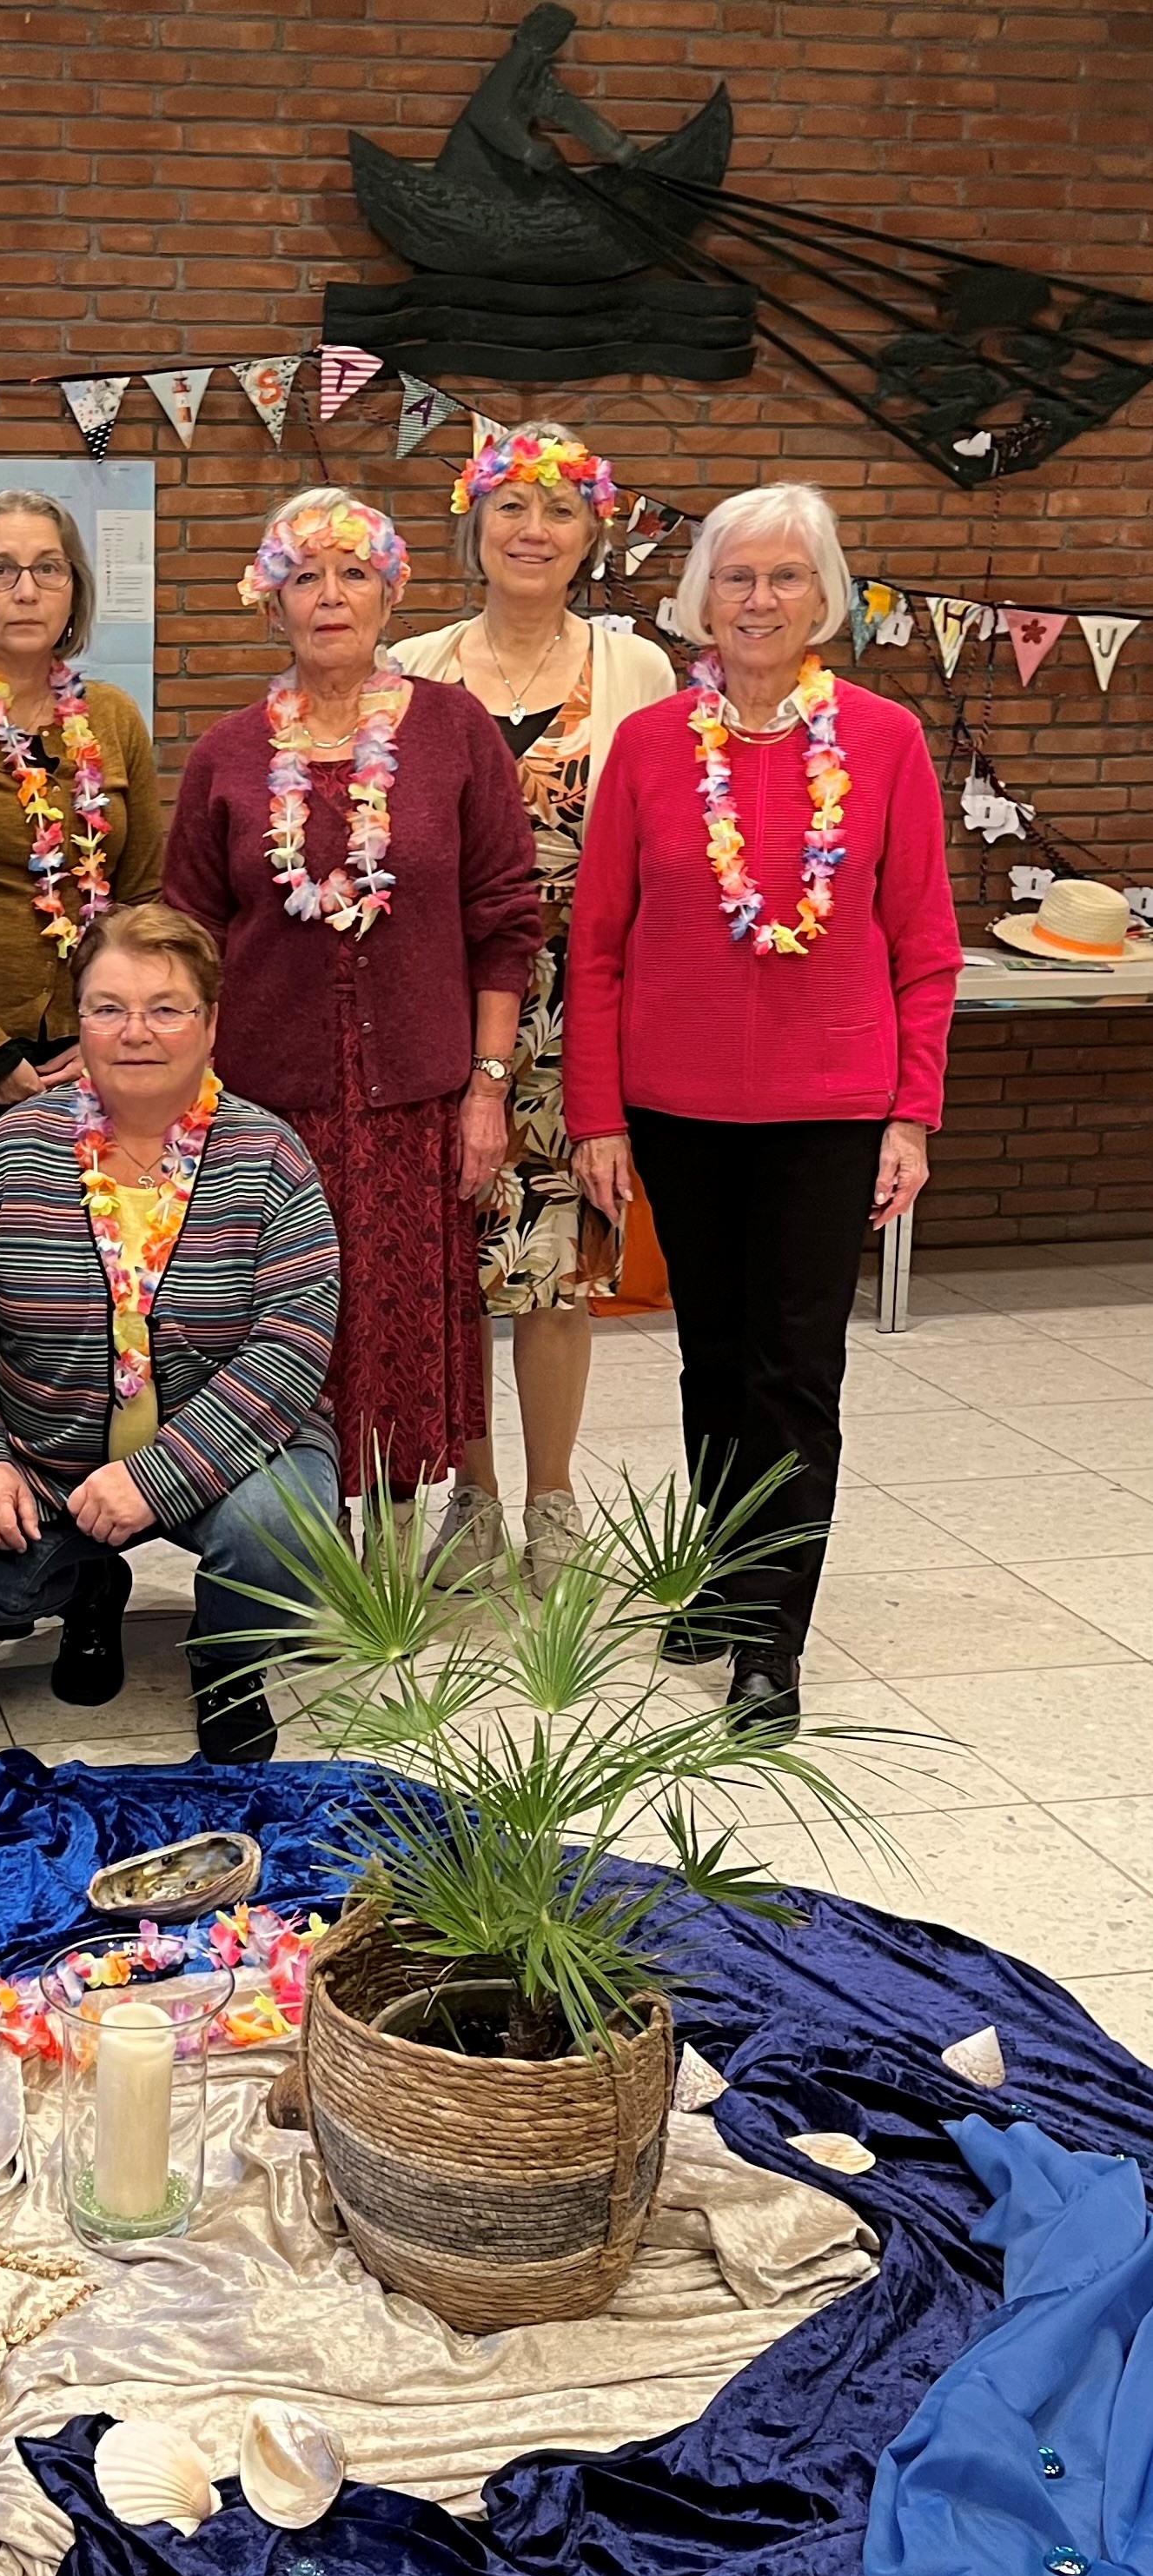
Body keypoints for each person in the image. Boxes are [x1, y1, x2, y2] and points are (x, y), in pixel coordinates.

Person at [565, 481, 958, 1738]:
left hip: (832, 1107)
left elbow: (924, 946)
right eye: (738, 576)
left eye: (787, 576)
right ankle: (728, 1569)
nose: (760, 598)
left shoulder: (886, 742)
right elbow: (601, 944)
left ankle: (770, 1639)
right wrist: (597, 1118)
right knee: (710, 1360)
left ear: (824, 597)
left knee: (795, 1371)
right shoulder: (647, 749)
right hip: (674, 1105)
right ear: (700, 598)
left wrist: (913, 1113)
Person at [162, 488, 541, 1507]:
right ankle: (283, 1535)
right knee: (280, 1323)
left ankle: (394, 1546)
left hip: (418, 1104)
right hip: (264, 1108)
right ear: (270, 602)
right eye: (304, 577)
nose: (329, 597)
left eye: (353, 574)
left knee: (402, 1324)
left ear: (389, 594)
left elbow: (503, 921)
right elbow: (185, 942)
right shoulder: (227, 754)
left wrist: (487, 1087)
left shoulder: (455, 732)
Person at [0, 902, 341, 1766]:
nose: (135, 1032)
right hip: (49, 1459)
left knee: (285, 1531)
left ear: (211, 1023)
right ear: (80, 1022)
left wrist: (159, 1478)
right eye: (108, 1007)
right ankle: (86, 1588)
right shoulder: (9, 1152)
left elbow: (290, 1343)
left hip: (236, 1457)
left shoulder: (269, 1155)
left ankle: (227, 1660)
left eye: (166, 1008)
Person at [390, 425, 679, 1595]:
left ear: (592, 537)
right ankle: (472, 1497)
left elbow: (660, 850)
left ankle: (553, 1497)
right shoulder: (414, 665)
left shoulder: (638, 671)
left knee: (556, 1267)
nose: (532, 530)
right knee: (451, 1259)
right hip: (437, 996)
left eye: (558, 512)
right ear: (474, 526)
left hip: (578, 1005)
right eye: (511, 507)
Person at [0, 490, 163, 1125]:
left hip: (100, 1049)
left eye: (48, 569)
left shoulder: (113, 716)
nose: (25, 591)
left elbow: (142, 896)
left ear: (74, 591)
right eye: (0, 569)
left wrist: (110, 1030)